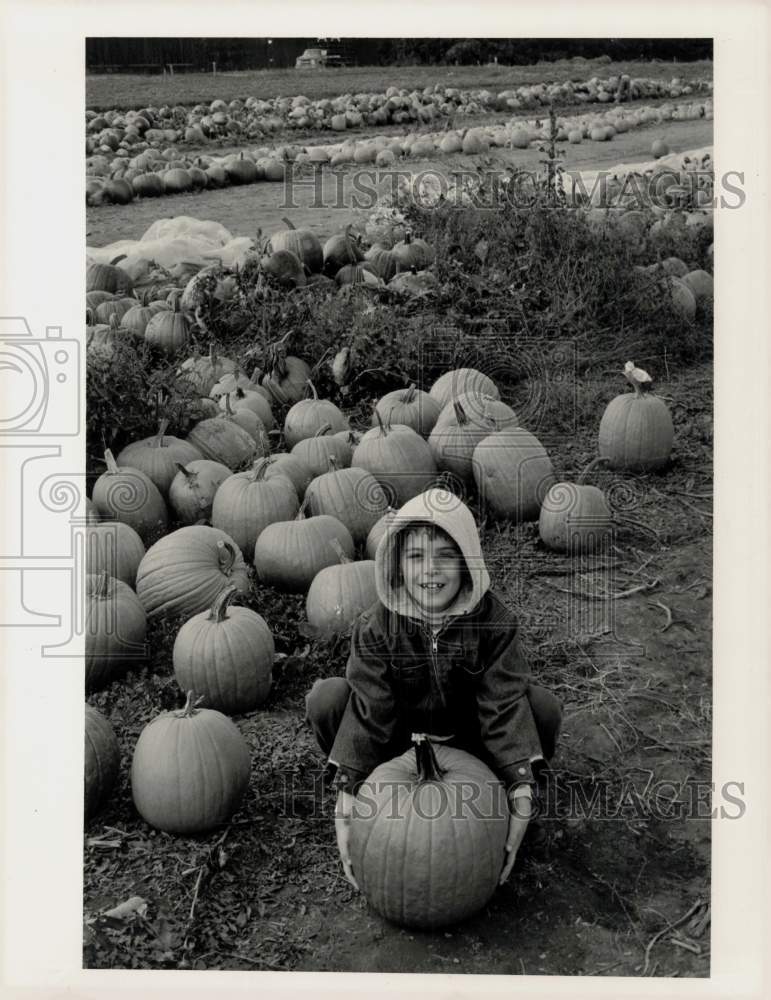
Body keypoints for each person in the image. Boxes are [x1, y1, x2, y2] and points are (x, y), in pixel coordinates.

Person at [305, 488, 562, 890]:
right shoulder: (376, 627)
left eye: (445, 555)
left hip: (471, 744)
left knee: (540, 707)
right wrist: (349, 791)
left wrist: (520, 785)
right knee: (329, 699)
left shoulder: (494, 623)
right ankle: (373, 789)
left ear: (466, 562)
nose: (431, 571)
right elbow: (369, 713)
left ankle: (501, 797)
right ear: (397, 566)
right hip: (397, 743)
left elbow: (504, 704)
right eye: (416, 557)